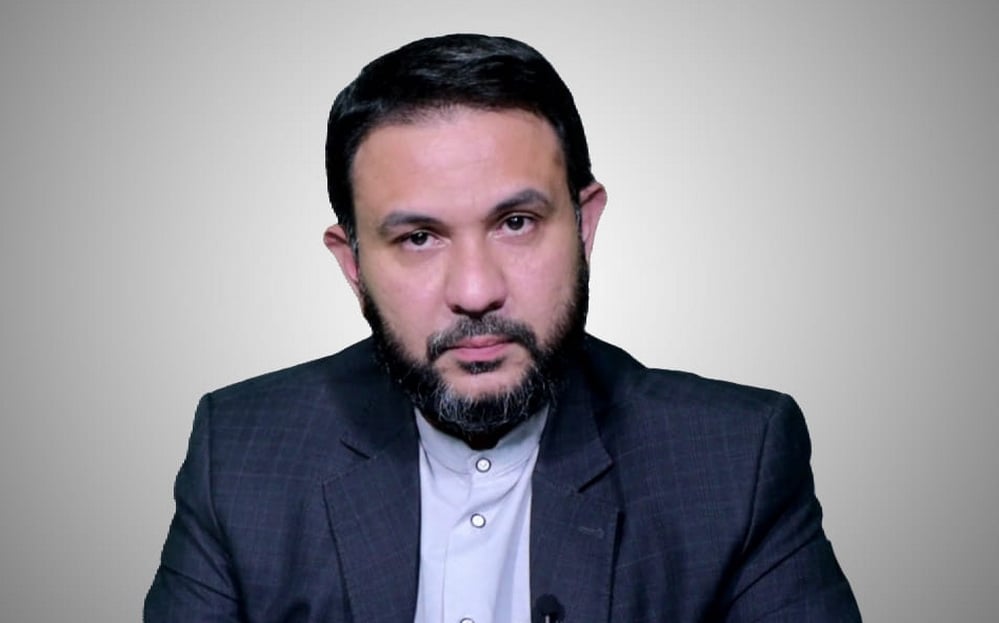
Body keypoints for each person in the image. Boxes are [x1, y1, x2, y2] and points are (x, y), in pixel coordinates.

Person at [145, 34, 860, 622]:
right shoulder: (239, 454)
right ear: (352, 263)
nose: (476, 291)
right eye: (418, 238)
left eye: (516, 223)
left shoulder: (735, 459)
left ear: (583, 226)